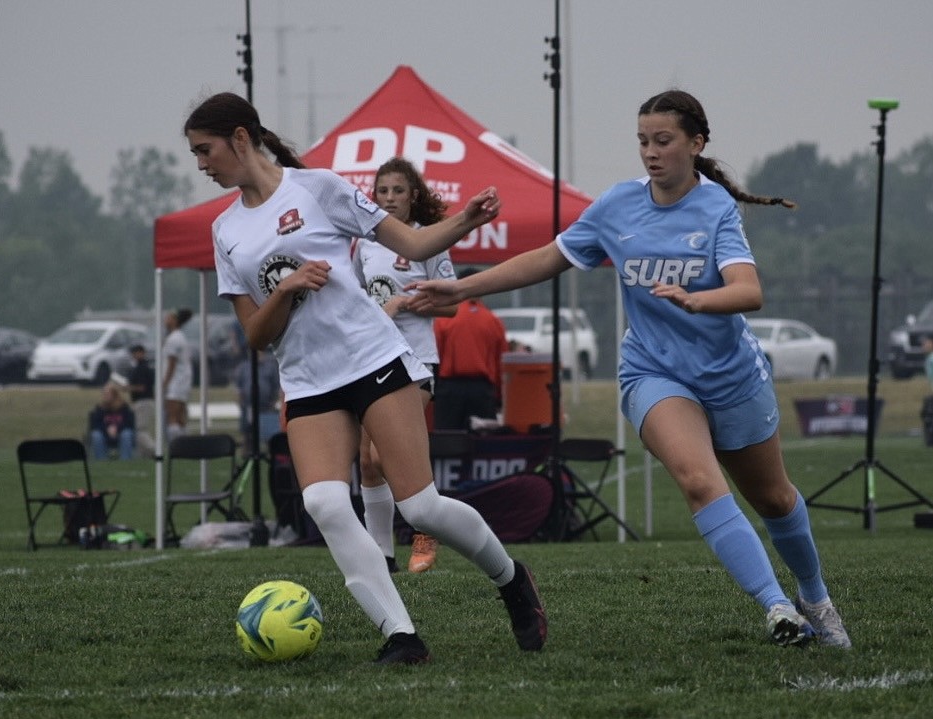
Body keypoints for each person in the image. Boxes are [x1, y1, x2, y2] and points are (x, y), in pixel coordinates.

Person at [409, 89, 851, 649]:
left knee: (774, 499)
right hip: (653, 373)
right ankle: (778, 608)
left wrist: (698, 299)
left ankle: (815, 596)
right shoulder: (617, 205)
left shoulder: (716, 207)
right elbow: (548, 257)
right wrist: (463, 285)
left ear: (696, 143)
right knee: (697, 481)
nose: (651, 152)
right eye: (643, 141)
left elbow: (749, 291)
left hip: (730, 374)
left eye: (663, 141)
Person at [183, 91, 546, 664]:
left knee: (421, 508)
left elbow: (416, 242)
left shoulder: (319, 188)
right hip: (307, 383)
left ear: (241, 139)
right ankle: (401, 635)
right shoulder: (225, 230)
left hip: (373, 360)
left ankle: (511, 580)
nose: (201, 164)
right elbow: (256, 336)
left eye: (205, 150)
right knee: (327, 504)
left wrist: (465, 221)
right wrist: (285, 287)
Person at [352, 156, 458, 575]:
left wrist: (404, 303)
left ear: (414, 196)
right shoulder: (363, 243)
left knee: (386, 455)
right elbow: (360, 301)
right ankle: (381, 558)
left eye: (398, 191)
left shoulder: (428, 240)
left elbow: (451, 306)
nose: (390, 199)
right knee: (365, 460)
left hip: (415, 362)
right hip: (371, 360)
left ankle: (425, 533)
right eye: (383, 191)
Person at [433, 267, 508, 431]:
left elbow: (435, 355)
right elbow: (501, 363)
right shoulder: (493, 321)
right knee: (484, 445)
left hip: (450, 390)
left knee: (447, 443)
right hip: (482, 391)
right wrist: (500, 398)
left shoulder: (444, 319)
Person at [235, 348, 282, 457]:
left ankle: (271, 453)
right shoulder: (244, 367)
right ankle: (247, 453)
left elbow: (276, 386)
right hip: (249, 406)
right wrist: (241, 402)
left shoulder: (270, 367)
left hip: (266, 406)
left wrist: (273, 402)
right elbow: (238, 387)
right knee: (248, 430)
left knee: (267, 430)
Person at [162, 308, 193, 443]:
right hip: (183, 380)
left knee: (172, 415)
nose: (165, 320)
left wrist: (165, 383)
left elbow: (171, 364)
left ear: (174, 320)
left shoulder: (173, 339)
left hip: (176, 381)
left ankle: (176, 444)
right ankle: (184, 442)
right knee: (180, 416)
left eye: (168, 317)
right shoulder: (180, 337)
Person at [88, 382, 136, 460]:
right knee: (96, 435)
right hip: (104, 434)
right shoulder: (100, 408)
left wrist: (117, 428)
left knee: (127, 434)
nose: (105, 396)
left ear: (114, 394)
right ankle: (101, 461)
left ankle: (125, 461)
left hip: (121, 433)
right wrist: (107, 429)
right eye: (104, 394)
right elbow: (95, 425)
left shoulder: (124, 407)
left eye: (108, 394)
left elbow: (128, 423)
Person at [126, 343, 155, 456]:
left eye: (135, 353)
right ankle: (144, 454)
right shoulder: (141, 367)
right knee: (141, 429)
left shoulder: (142, 368)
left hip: (143, 401)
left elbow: (142, 387)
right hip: (142, 401)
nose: (133, 355)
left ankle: (154, 449)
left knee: (140, 430)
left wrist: (126, 388)